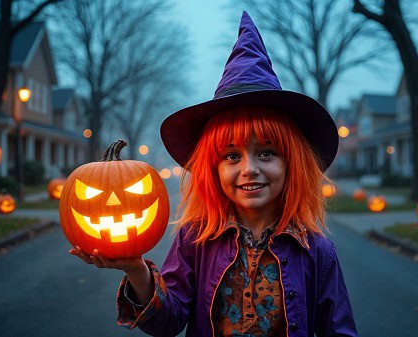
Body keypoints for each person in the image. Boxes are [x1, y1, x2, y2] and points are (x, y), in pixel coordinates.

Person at [70, 11, 357, 337]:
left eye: (266, 153)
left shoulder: (317, 251)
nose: (249, 169)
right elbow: (169, 321)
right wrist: (137, 270)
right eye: (231, 156)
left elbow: (340, 330)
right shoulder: (196, 239)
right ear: (213, 168)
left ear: (293, 162)